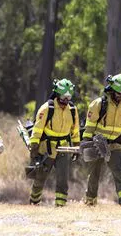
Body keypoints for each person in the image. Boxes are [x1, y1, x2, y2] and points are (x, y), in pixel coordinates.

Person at [82, 74, 121, 205]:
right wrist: (87, 141)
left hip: (115, 143)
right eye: (118, 92)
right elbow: (90, 125)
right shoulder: (99, 104)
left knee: (118, 172)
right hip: (97, 143)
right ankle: (90, 200)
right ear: (111, 89)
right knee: (94, 173)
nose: (120, 95)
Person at [28, 79, 81, 207]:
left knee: (63, 179)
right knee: (40, 177)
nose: (66, 100)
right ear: (57, 94)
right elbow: (38, 128)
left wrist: (76, 146)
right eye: (63, 96)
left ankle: (60, 205)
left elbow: (75, 129)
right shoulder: (47, 108)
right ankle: (34, 201)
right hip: (47, 148)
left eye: (68, 97)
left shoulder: (72, 109)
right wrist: (34, 146)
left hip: (63, 148)